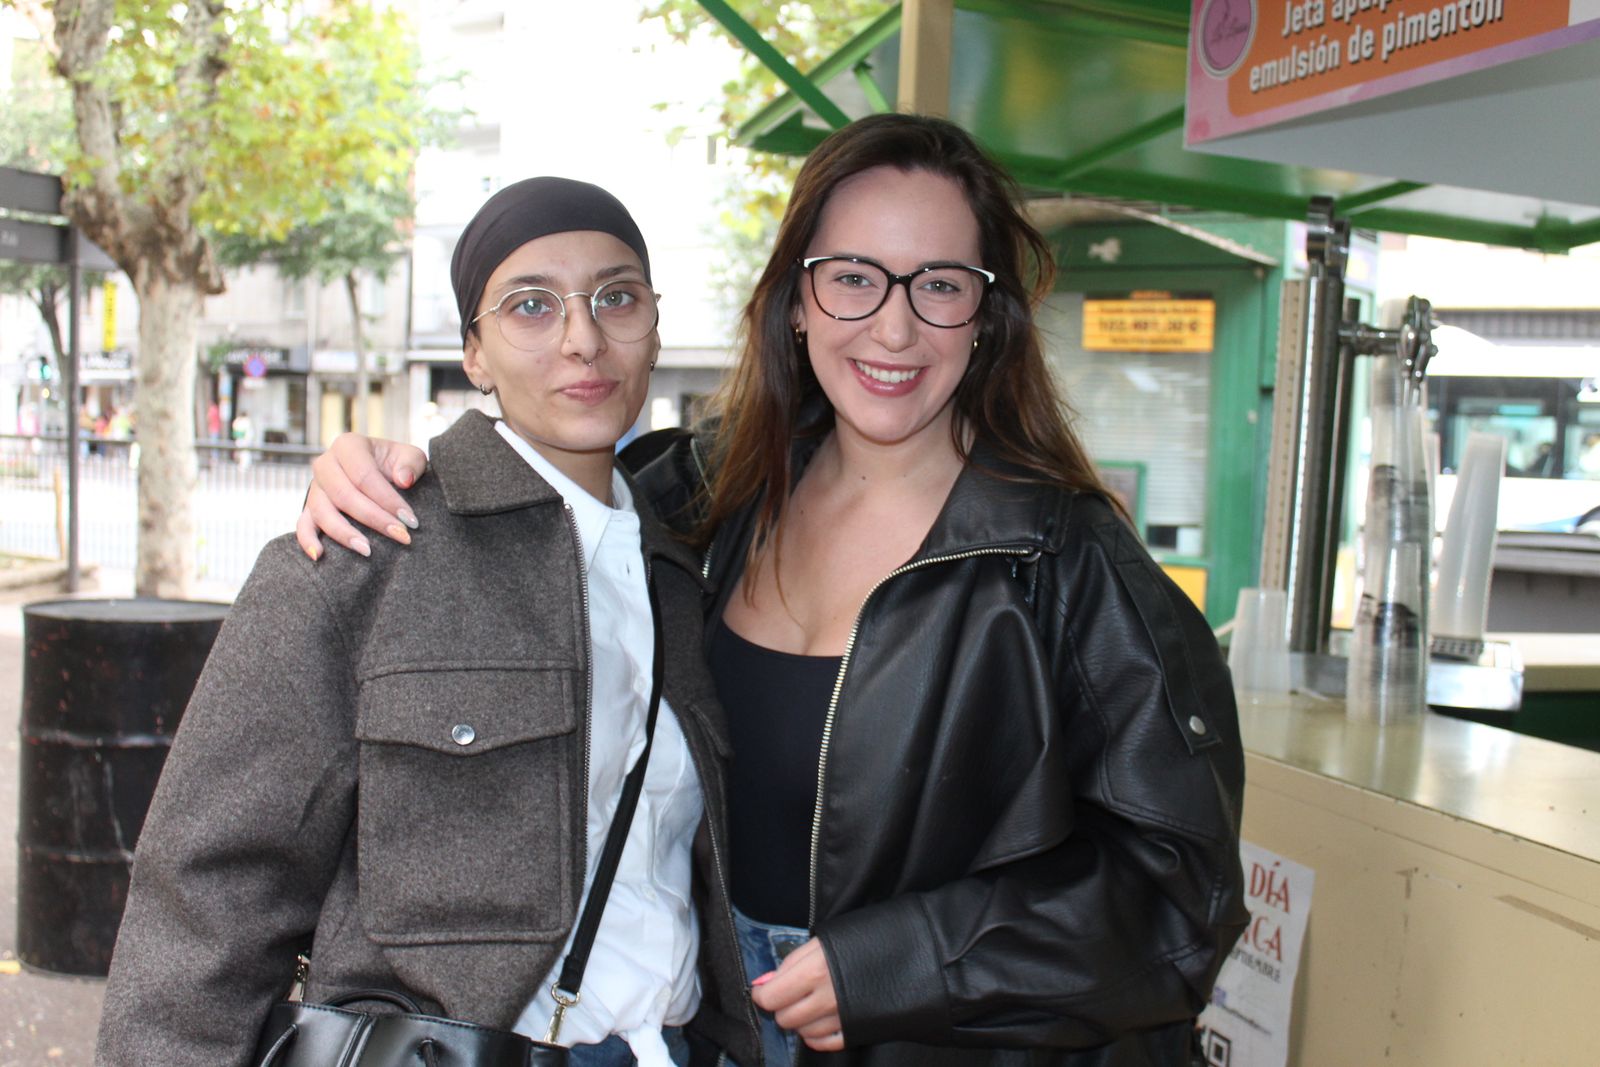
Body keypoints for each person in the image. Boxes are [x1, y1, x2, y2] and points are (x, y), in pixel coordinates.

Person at [298, 114, 1249, 1067]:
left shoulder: (1065, 560)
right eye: (853, 278)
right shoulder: (697, 499)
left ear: (987, 317)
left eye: (942, 286)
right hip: (694, 1030)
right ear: (797, 299)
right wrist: (383, 470)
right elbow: (528, 505)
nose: (894, 325)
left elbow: (1183, 895)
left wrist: (910, 962)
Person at [95, 177, 760, 1067]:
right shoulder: (368, 550)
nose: (583, 337)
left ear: (655, 322)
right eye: (530, 305)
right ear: (473, 353)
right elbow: (206, 894)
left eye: (617, 296)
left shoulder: (679, 568)